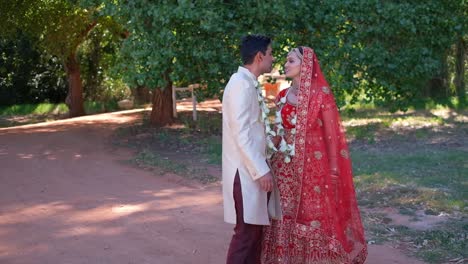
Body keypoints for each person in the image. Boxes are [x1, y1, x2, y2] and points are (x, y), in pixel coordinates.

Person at [261, 47, 368, 264]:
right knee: (284, 212)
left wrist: (335, 170)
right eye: (286, 61)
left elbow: (332, 137)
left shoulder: (320, 95)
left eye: (291, 61)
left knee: (312, 213)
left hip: (313, 168)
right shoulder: (282, 95)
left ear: (305, 65)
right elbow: (278, 132)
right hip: (284, 167)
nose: (286, 65)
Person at [222, 34, 275, 264]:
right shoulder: (240, 85)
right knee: (246, 235)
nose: (273, 59)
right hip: (243, 173)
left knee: (254, 234)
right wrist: (261, 170)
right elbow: (241, 134)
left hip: (249, 170)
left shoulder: (247, 83)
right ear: (259, 56)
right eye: (271, 54)